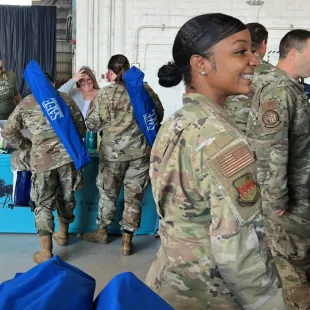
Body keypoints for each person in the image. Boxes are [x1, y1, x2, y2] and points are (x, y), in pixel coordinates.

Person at [144, 13, 288, 310]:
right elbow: (237, 246)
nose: (254, 60)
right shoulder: (221, 140)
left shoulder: (177, 122)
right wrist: (270, 303)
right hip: (211, 294)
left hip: (169, 284)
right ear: (201, 64)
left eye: (251, 50)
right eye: (240, 52)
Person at [247, 29, 310, 309]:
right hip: (288, 205)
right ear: (294, 53)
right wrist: (276, 201)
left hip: (299, 198)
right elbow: (272, 149)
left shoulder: (291, 86)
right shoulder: (278, 89)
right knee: (294, 272)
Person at [83, 54, 164, 256]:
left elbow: (92, 124)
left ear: (111, 72)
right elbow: (158, 115)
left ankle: (102, 232)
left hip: (112, 155)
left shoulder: (104, 94)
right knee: (133, 197)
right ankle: (127, 241)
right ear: (128, 68)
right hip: (140, 153)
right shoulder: (144, 90)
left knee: (108, 194)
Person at [2, 72, 86, 264]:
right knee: (66, 196)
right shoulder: (65, 99)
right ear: (53, 83)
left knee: (43, 203)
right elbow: (81, 127)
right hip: (67, 158)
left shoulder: (27, 103)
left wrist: (26, 145)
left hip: (42, 161)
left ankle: (46, 251)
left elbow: (8, 131)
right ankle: (63, 235)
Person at [224, 23, 274, 133]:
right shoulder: (274, 74)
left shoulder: (224, 69)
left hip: (227, 135)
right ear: (263, 44)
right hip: (260, 139)